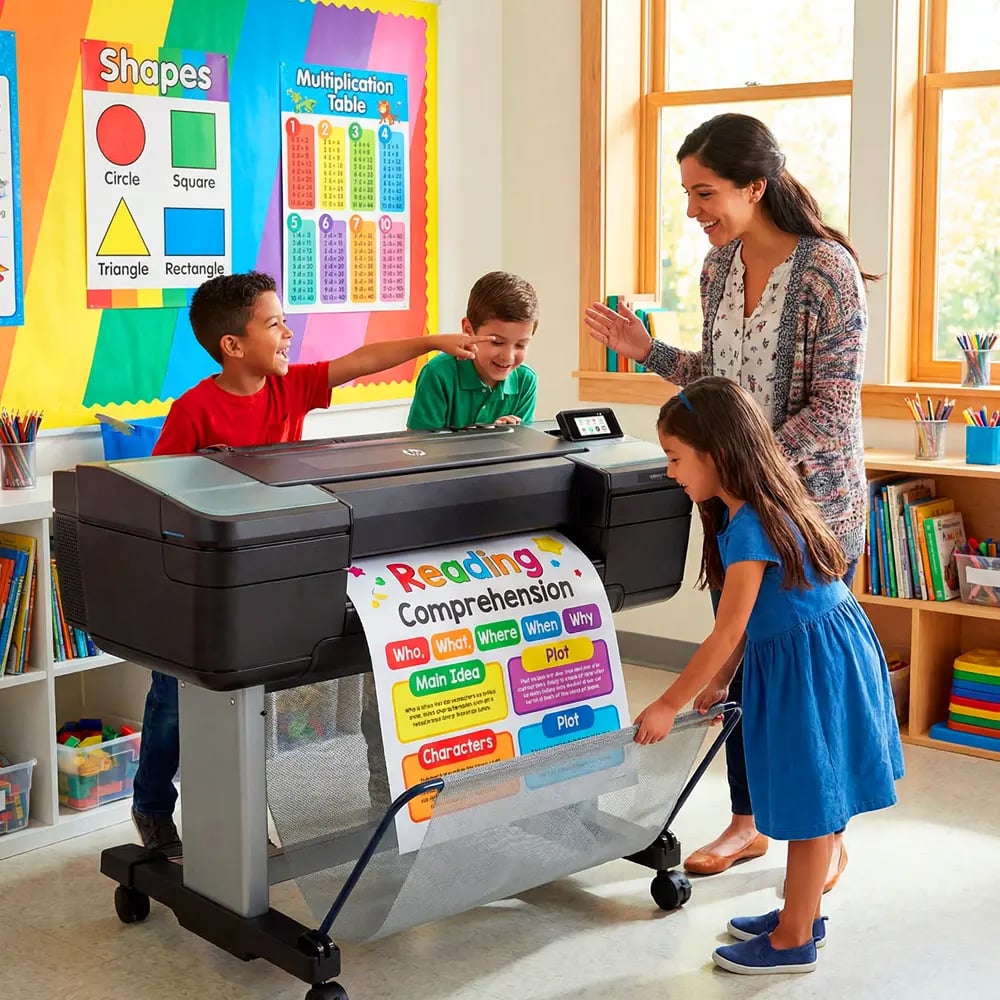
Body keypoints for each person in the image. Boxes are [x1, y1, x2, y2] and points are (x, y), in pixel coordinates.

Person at [584, 113, 873, 889]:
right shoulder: (718, 269)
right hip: (737, 505)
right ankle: (749, 820)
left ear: (756, 186)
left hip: (811, 513)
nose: (692, 210)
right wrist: (649, 352)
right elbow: (718, 385)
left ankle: (826, 832)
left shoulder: (827, 271)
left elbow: (834, 409)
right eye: (686, 192)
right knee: (739, 664)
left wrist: (747, 468)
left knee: (800, 677)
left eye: (704, 192)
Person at [131, 270, 490, 854]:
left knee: (250, 701)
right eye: (274, 324)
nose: (288, 333)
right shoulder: (194, 410)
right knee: (173, 700)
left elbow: (363, 360)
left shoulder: (290, 388)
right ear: (233, 345)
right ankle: (151, 805)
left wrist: (430, 341)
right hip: (199, 584)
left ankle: (241, 820)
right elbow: (159, 493)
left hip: (266, 570)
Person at [635, 376, 902, 975]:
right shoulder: (752, 509)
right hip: (817, 653)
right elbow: (747, 624)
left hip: (812, 664)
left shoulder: (751, 527)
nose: (671, 472)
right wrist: (721, 681)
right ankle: (801, 915)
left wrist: (668, 703)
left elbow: (726, 629)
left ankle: (792, 941)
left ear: (715, 454)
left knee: (811, 804)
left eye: (675, 458)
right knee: (814, 795)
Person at [407, 271, 538, 430]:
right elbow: (419, 442)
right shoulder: (438, 374)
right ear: (469, 330)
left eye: (520, 345)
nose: (508, 357)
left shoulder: (525, 380)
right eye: (496, 342)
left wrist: (508, 435)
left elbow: (524, 442)